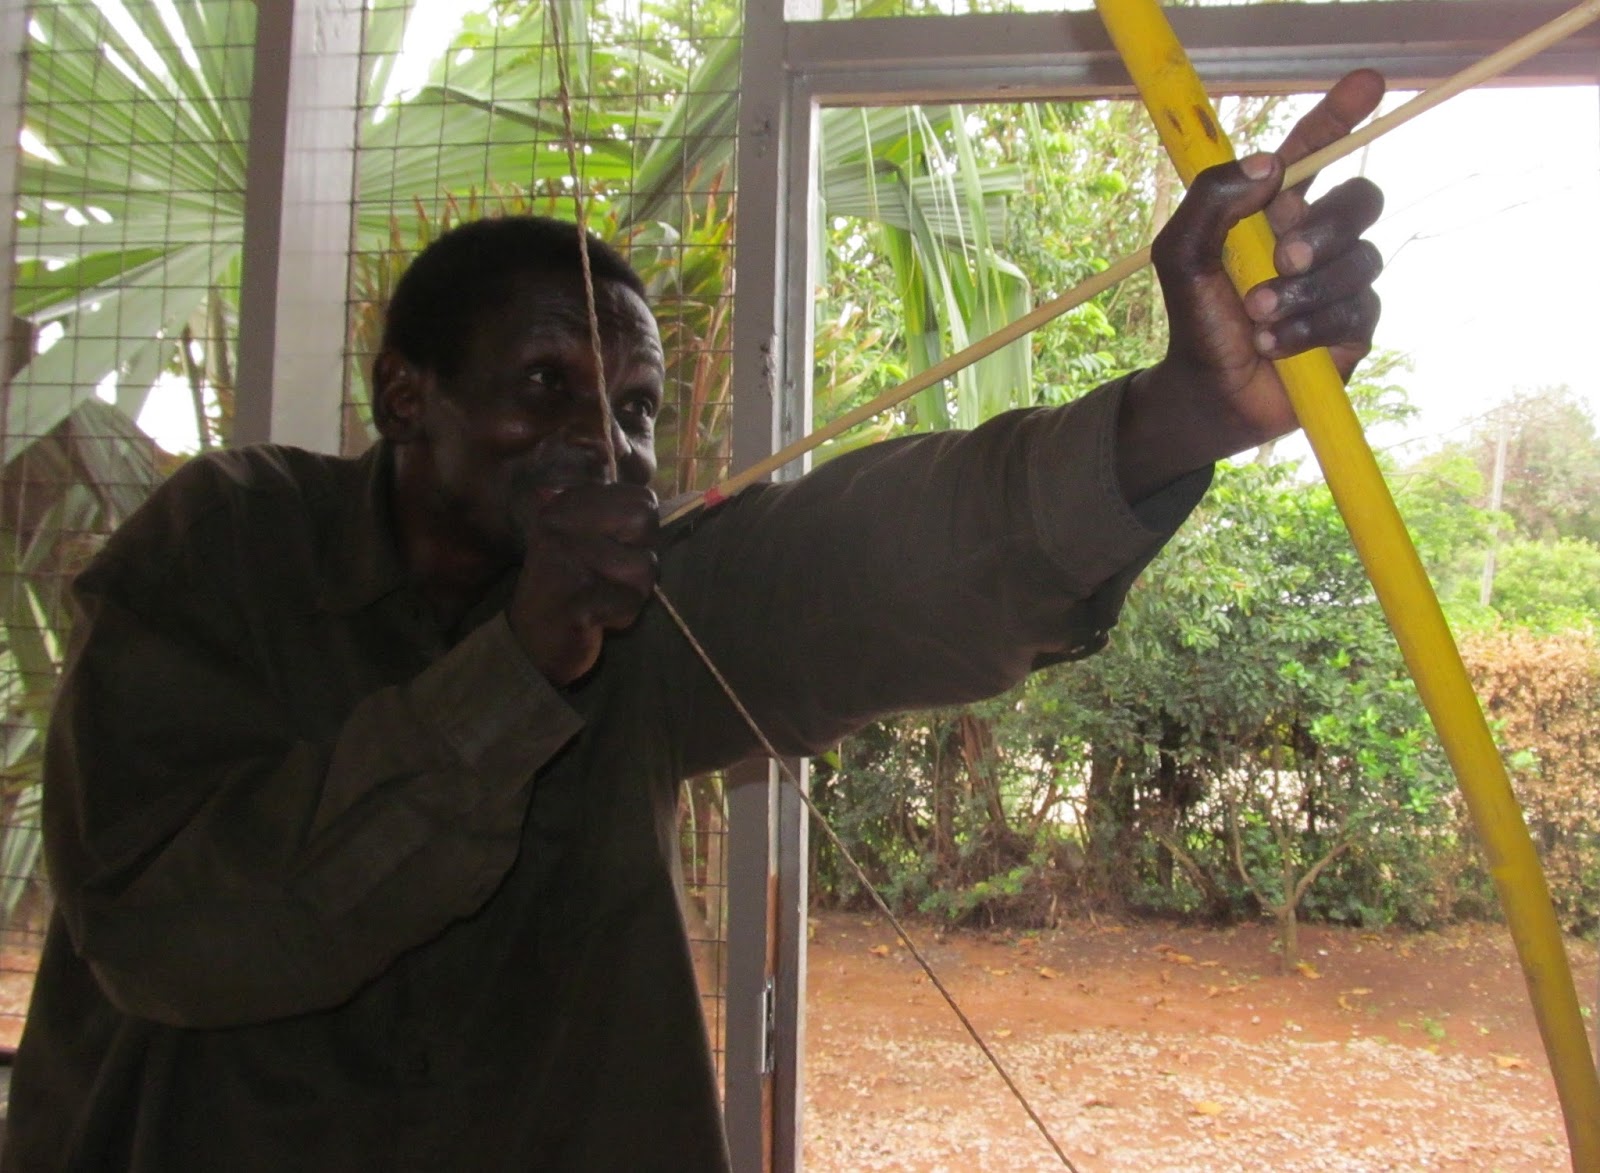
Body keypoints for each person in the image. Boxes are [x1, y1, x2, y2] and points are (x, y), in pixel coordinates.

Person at [4, 72, 1386, 1172]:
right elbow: (171, 934)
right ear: (404, 395)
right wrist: (517, 666)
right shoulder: (235, 541)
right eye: (544, 386)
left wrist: (1181, 415)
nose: (601, 443)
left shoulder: (637, 605)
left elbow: (875, 562)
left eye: (635, 407)